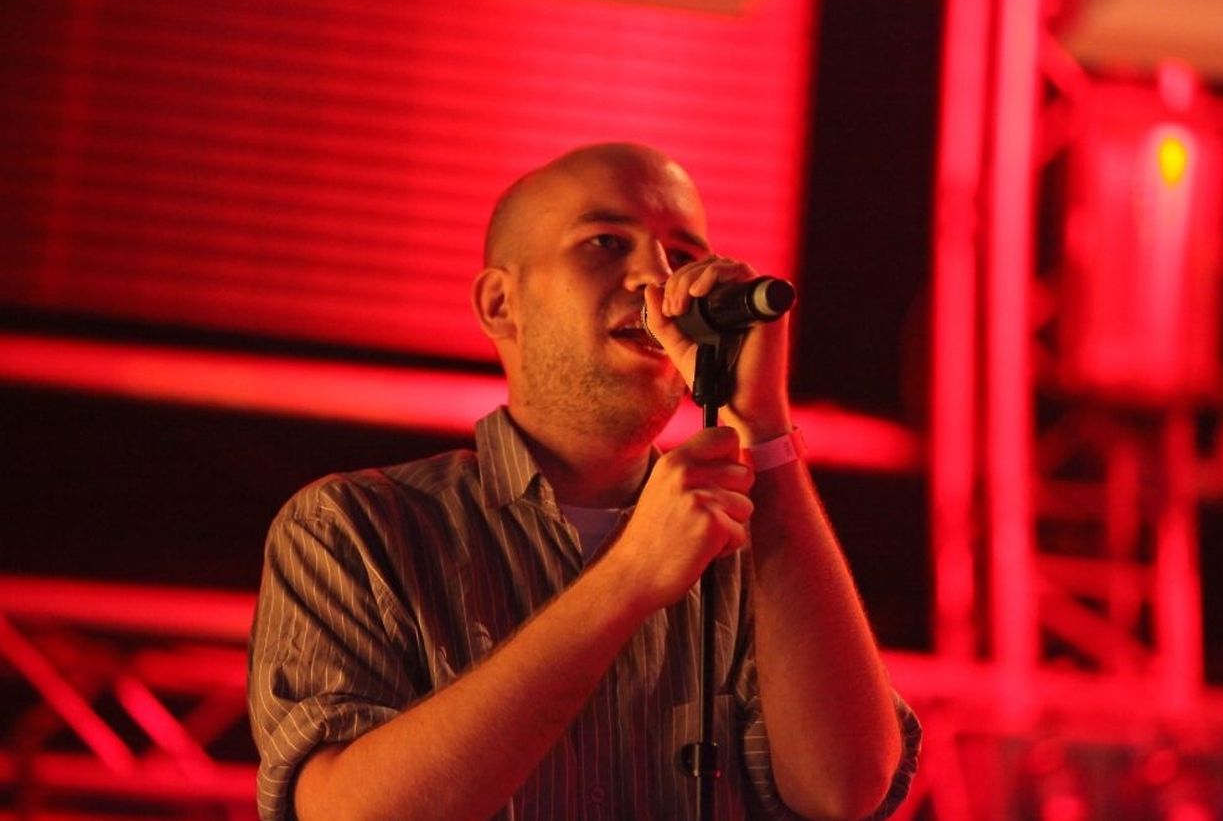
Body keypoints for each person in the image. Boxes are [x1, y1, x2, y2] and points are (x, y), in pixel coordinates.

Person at [247, 142, 920, 821]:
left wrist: (764, 427)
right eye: (605, 243)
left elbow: (845, 788)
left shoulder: (758, 545)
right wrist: (628, 578)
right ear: (501, 303)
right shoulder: (354, 525)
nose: (656, 279)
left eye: (682, 256)